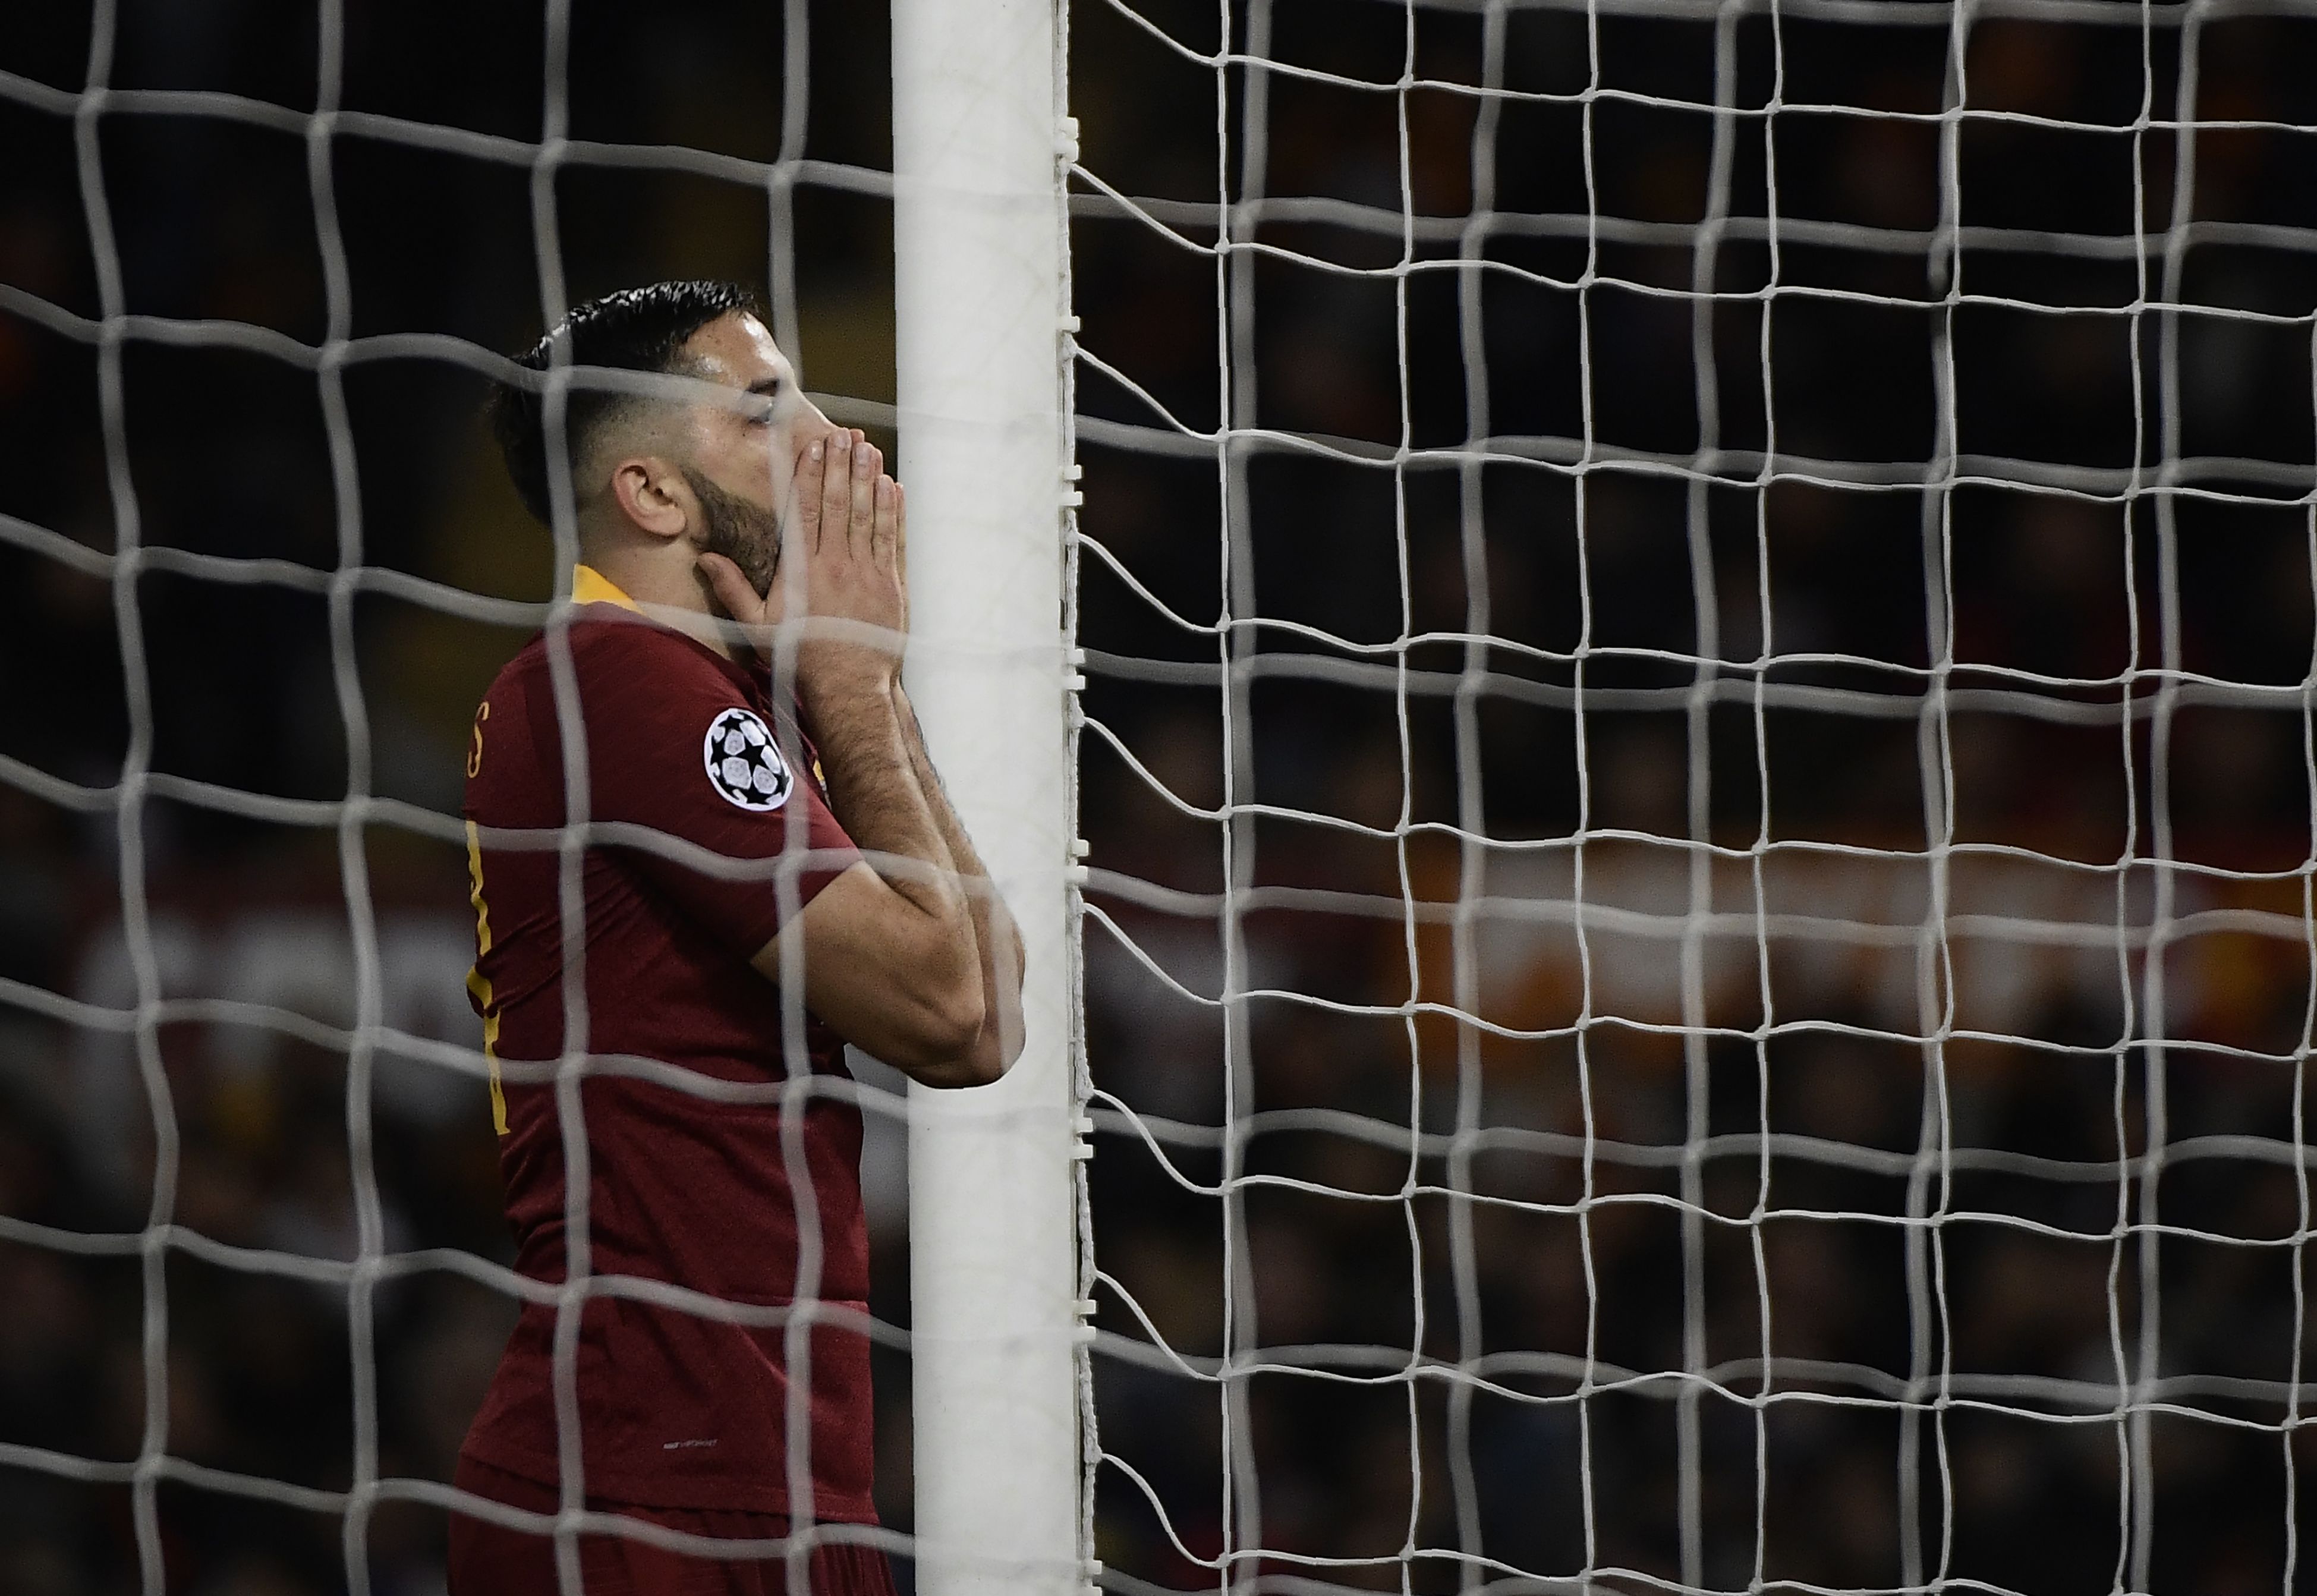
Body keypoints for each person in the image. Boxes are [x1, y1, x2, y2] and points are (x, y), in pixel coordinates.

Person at [452, 280, 1024, 1594]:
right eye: (766, 411)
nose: (830, 440)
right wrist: (851, 685)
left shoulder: (729, 697)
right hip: (648, 1484)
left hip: (752, 1472)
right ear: (652, 494)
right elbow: (949, 1014)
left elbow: (990, 1011)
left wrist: (859, 692)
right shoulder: (616, 679)